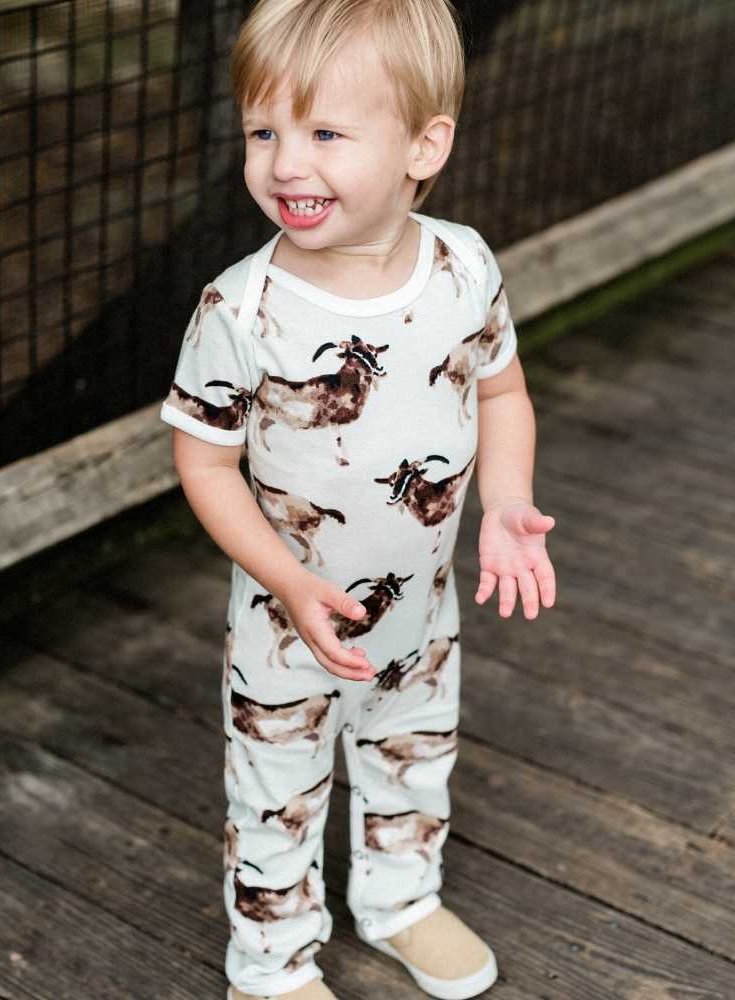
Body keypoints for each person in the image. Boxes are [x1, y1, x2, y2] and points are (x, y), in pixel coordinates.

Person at [159, 1, 557, 997]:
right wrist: (287, 581)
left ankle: (398, 900)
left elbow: (502, 391)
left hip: (418, 614)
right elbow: (203, 464)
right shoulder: (239, 309)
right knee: (276, 789)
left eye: (324, 133)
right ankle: (274, 956)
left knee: (411, 758)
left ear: (424, 145)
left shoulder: (464, 267)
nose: (285, 163)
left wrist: (507, 496)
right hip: (286, 620)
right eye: (263, 132)